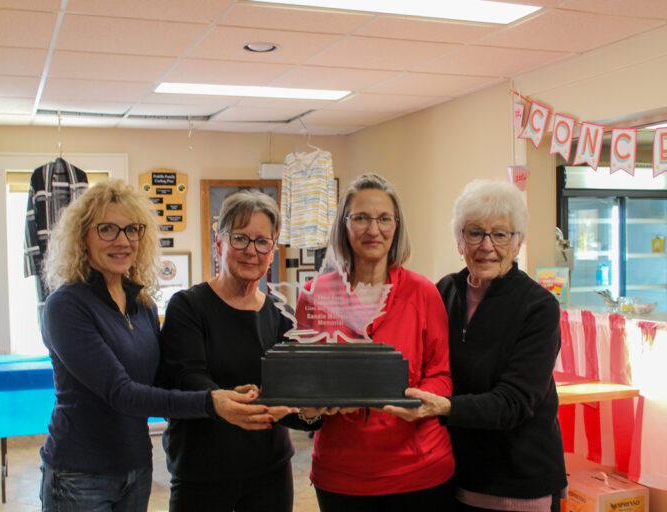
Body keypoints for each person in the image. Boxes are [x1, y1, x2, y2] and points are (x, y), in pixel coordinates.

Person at [38, 179, 269, 512]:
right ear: (82, 237)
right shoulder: (66, 306)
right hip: (79, 473)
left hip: (136, 468)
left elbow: (160, 381)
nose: (123, 241)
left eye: (132, 230)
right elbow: (122, 393)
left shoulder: (142, 304)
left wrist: (231, 393)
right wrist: (211, 402)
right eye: (107, 229)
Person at [386, 178, 567, 511]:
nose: (487, 246)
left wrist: (444, 407)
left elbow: (515, 401)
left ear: (518, 242)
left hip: (519, 484)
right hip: (455, 475)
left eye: (500, 234)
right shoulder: (443, 293)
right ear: (460, 240)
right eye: (474, 233)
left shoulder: (538, 306)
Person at [296, 174, 456, 511]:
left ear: (396, 226)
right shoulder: (314, 296)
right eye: (361, 218)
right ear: (344, 225)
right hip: (341, 475)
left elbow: (441, 375)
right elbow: (304, 380)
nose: (374, 230)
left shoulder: (423, 293)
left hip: (419, 470)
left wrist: (418, 401)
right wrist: (310, 408)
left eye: (384, 219)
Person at [159, 189, 313, 512]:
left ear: (272, 251)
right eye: (240, 239)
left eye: (262, 242)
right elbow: (186, 379)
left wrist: (311, 412)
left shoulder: (280, 315)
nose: (251, 251)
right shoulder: (188, 307)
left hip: (269, 474)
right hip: (202, 476)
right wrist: (230, 404)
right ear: (219, 244)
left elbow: (290, 397)